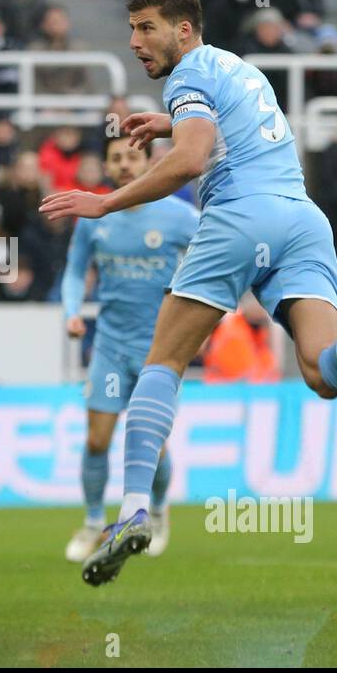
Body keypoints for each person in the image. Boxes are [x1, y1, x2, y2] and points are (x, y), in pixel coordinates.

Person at [40, 0, 337, 587]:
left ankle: (132, 512)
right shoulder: (238, 67)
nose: (134, 42)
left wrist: (106, 204)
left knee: (163, 363)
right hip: (304, 220)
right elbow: (224, 129)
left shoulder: (186, 78)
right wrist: (168, 121)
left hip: (241, 216)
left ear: (184, 29)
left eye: (146, 27)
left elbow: (190, 162)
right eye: (130, 29)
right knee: (322, 371)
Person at [60, 135, 199, 563]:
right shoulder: (94, 217)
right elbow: (73, 272)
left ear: (148, 161)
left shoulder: (179, 217)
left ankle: (156, 513)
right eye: (116, 157)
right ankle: (92, 522)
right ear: (106, 165)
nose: (124, 164)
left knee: (151, 444)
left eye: (132, 156)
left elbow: (215, 256)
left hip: (161, 346)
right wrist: (71, 311)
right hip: (110, 344)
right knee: (97, 439)